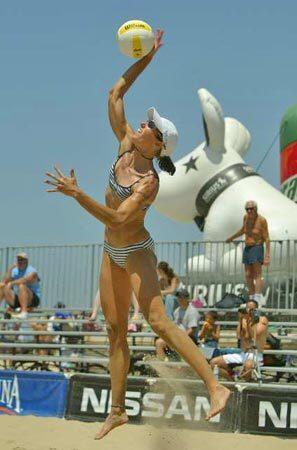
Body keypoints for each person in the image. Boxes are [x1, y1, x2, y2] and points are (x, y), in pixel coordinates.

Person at [45, 29, 230, 439]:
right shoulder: (126, 143)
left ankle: (216, 386)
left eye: (153, 124)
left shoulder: (149, 183)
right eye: (148, 120)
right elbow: (115, 93)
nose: (145, 122)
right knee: (113, 329)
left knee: (159, 322)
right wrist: (148, 57)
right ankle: (116, 410)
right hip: (111, 251)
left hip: (135, 250)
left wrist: (77, 194)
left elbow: (115, 219)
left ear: (158, 144)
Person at [210, 300, 268, 381]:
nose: (249, 311)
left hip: (255, 354)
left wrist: (249, 322)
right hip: (243, 353)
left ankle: (247, 385)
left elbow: (254, 335)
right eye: (247, 309)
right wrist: (240, 320)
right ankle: (231, 377)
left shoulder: (262, 320)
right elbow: (238, 336)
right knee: (214, 362)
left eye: (252, 309)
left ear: (256, 309)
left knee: (248, 366)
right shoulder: (244, 320)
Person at [226, 200, 270, 306]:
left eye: (251, 208)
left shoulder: (262, 220)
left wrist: (267, 255)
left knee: (257, 274)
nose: (249, 211)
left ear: (256, 208)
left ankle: (258, 298)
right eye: (247, 209)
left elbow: (267, 238)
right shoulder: (245, 217)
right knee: (248, 275)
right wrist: (231, 238)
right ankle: (251, 298)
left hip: (257, 246)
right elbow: (243, 230)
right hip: (247, 247)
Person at [155, 288, 200, 359]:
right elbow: (175, 326)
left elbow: (192, 329)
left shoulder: (192, 311)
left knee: (160, 343)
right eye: (178, 297)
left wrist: (180, 337)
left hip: (190, 338)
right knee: (159, 342)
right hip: (179, 336)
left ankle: (167, 363)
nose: (180, 299)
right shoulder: (177, 311)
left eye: (182, 297)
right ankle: (163, 364)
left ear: (187, 298)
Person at [0, 253, 41, 318]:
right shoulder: (15, 271)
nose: (20, 262)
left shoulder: (32, 271)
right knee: (2, 286)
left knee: (22, 285)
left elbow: (25, 280)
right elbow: (4, 282)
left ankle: (24, 312)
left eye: (22, 260)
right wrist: (10, 269)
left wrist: (11, 283)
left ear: (26, 261)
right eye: (18, 260)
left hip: (32, 300)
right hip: (18, 300)